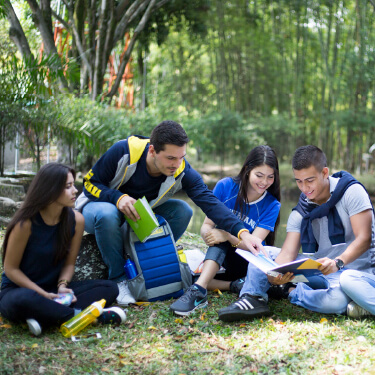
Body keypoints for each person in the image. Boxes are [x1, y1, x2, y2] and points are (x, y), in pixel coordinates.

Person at [75, 120, 266, 306]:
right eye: (170, 158)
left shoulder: (180, 169)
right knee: (107, 214)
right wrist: (117, 197)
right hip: (99, 209)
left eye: (181, 157)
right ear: (152, 150)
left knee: (182, 211)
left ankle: (142, 261)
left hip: (138, 216)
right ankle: (119, 279)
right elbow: (90, 183)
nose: (176, 164)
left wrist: (242, 233)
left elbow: (210, 202)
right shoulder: (125, 151)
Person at [218, 145, 375, 322]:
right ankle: (253, 298)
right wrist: (273, 275)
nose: (304, 188)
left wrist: (338, 262)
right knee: (262, 251)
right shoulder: (301, 209)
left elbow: (364, 238)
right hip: (320, 270)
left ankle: (290, 291)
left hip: (356, 273)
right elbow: (287, 253)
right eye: (298, 181)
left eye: (309, 180)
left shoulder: (351, 192)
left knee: (337, 301)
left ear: (324, 173)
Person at [0, 163, 125, 336]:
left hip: (53, 291)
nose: (75, 191)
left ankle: (44, 316)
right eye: (68, 186)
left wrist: (62, 286)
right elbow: (11, 269)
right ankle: (82, 317)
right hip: (20, 290)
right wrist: (42, 294)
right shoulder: (25, 223)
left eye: (73, 185)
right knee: (22, 301)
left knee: (110, 288)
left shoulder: (76, 220)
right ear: (49, 189)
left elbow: (69, 264)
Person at [169, 145, 281, 316]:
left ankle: (200, 290)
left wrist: (226, 235)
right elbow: (207, 225)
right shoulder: (226, 187)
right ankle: (227, 286)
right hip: (224, 259)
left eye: (270, 177)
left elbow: (254, 246)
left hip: (250, 262)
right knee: (188, 278)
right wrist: (208, 234)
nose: (264, 182)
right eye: (259, 175)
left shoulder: (272, 205)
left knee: (222, 237)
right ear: (247, 170)